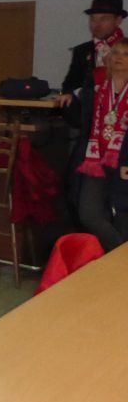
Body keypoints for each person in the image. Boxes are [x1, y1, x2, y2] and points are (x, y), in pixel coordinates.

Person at [73, 38, 128, 251]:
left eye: (126, 54)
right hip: (96, 159)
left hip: (123, 160)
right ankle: (119, 255)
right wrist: (68, 97)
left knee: (123, 216)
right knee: (89, 214)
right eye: (115, 53)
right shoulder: (97, 85)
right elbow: (82, 118)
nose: (119, 58)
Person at [58, 0, 126, 110]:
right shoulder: (82, 50)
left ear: (118, 21)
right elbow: (70, 83)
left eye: (104, 19)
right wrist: (70, 93)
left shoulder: (126, 48)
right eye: (93, 19)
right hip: (88, 113)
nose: (97, 24)